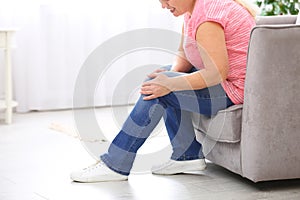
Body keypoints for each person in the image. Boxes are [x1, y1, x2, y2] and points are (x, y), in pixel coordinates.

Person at [70, 0, 257, 182]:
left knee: (161, 90)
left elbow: (217, 73)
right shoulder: (195, 10)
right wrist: (169, 76)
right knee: (158, 82)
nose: (163, 5)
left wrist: (170, 84)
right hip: (221, 82)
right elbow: (185, 54)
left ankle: (115, 164)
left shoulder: (208, 16)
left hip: (232, 89)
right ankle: (186, 156)